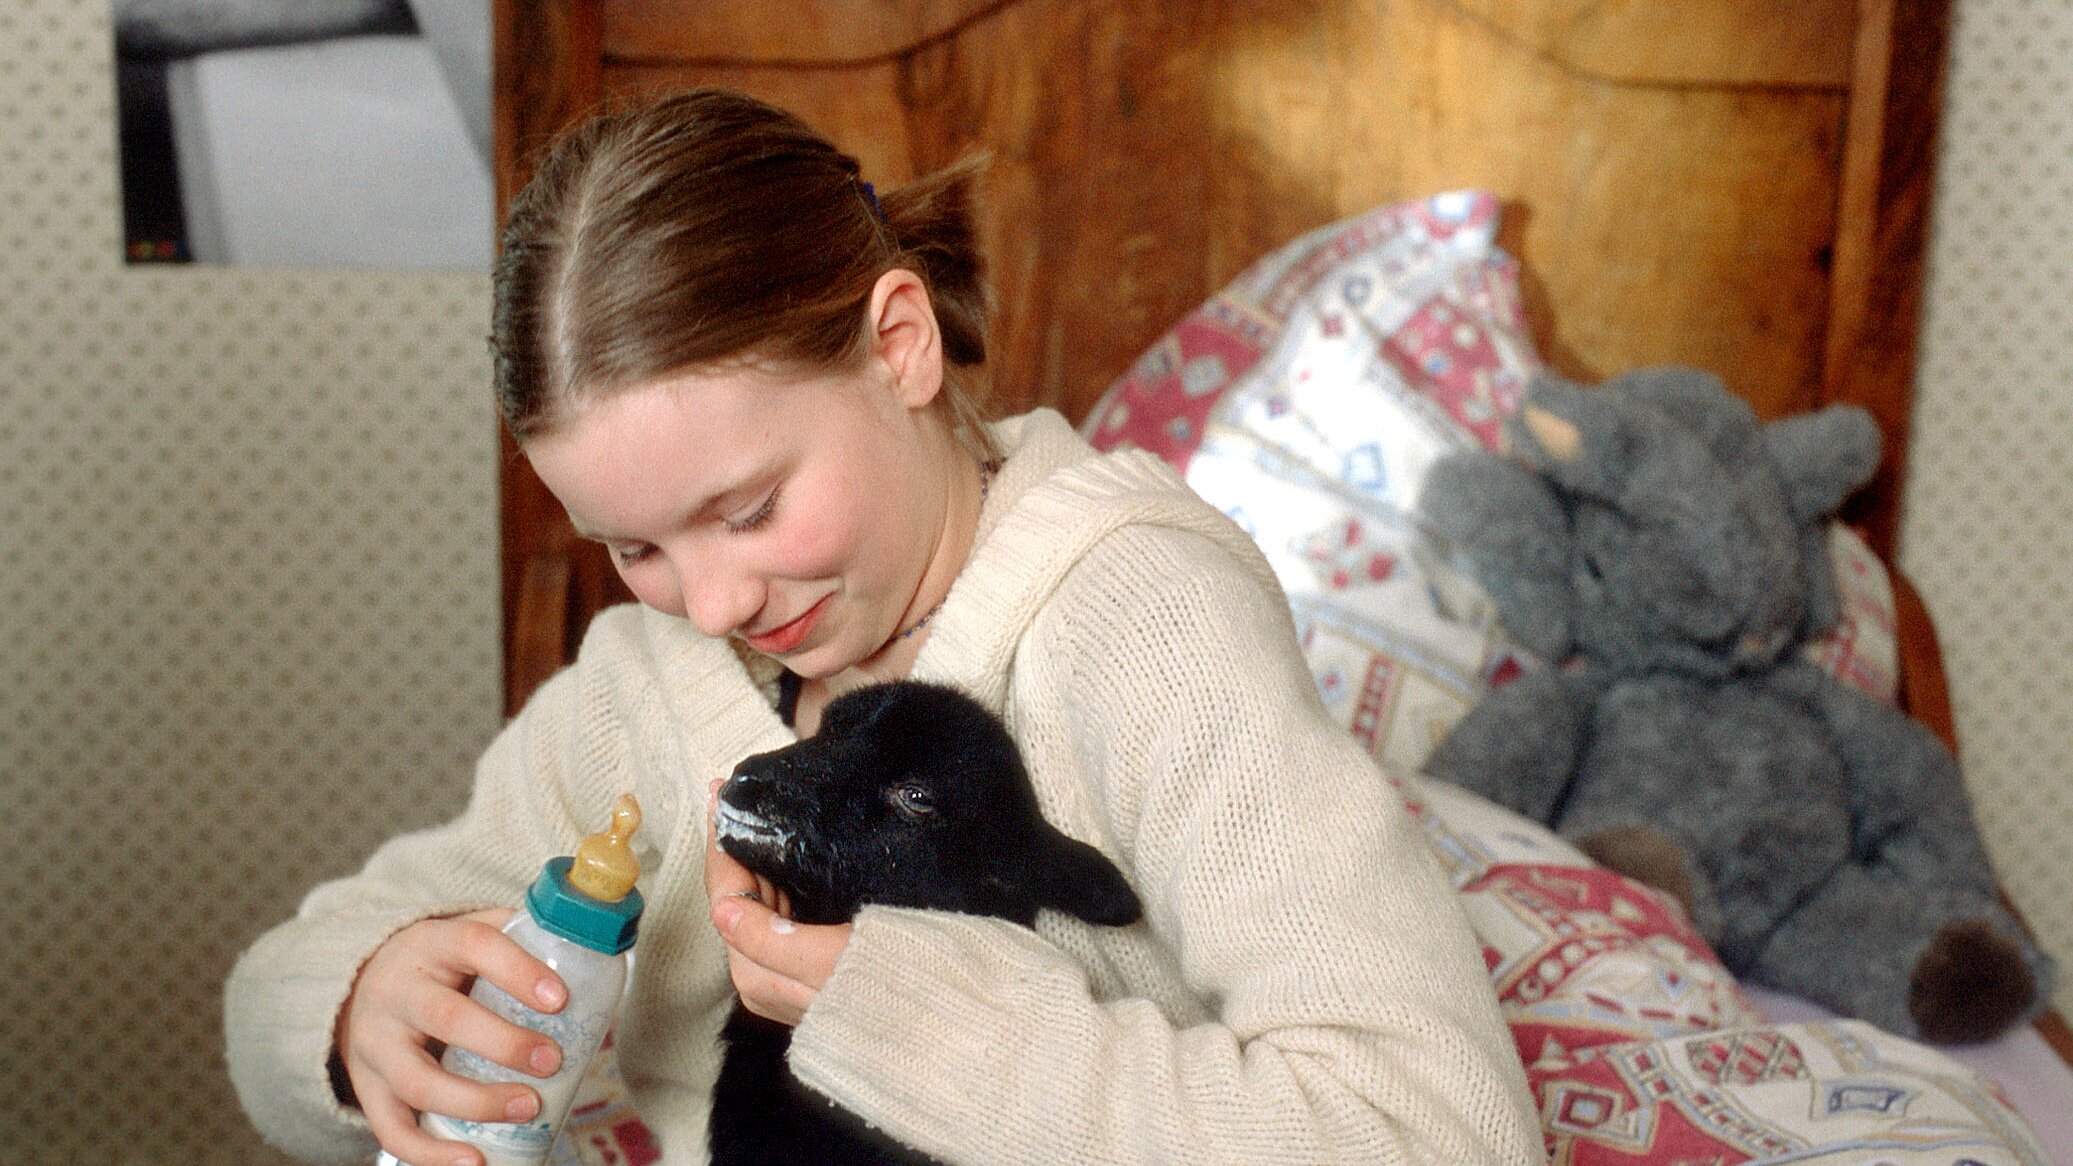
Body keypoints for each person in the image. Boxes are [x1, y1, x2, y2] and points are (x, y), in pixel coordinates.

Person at [224, 88, 1541, 1166]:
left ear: (899, 342)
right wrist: (364, 1003)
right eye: (634, 546)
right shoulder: (647, 682)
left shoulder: (1144, 625)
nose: (715, 602)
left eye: (747, 507)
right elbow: (286, 979)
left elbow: (1440, 1127)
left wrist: (941, 1035)